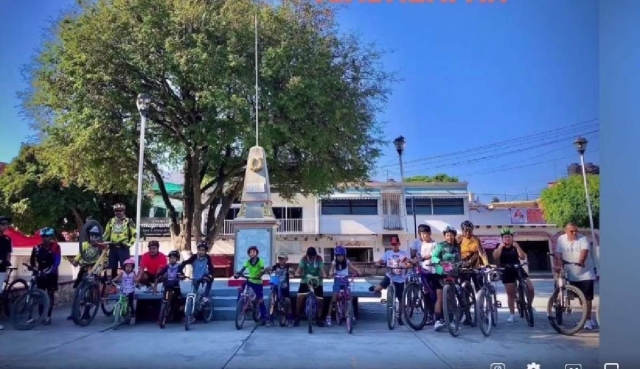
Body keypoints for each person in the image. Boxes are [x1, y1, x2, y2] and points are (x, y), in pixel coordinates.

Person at [554, 222, 597, 330]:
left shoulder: (583, 239)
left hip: (585, 273)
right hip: (571, 273)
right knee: (580, 299)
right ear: (566, 231)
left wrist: (581, 261)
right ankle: (586, 317)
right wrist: (559, 265)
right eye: (571, 231)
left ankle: (587, 321)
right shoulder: (561, 239)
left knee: (587, 299)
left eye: (576, 231)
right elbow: (558, 253)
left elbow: (584, 251)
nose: (574, 233)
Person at [493, 228, 535, 323]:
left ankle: (529, 306)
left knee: (530, 289)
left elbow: (523, 257)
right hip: (506, 270)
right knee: (511, 294)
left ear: (512, 237)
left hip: (518, 268)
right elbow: (495, 257)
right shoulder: (499, 246)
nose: (507, 238)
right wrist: (500, 247)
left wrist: (518, 247)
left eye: (509, 236)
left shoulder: (515, 245)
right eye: (505, 237)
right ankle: (512, 314)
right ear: (502, 238)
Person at [67, 225, 108, 320]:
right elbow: (80, 253)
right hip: (85, 267)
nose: (94, 238)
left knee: (91, 291)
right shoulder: (85, 244)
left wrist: (105, 262)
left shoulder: (101, 246)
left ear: (99, 236)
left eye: (96, 235)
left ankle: (87, 312)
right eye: (92, 235)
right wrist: (76, 261)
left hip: (95, 268)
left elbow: (105, 255)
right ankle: (75, 312)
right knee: (77, 289)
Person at [368, 236, 409, 326]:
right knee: (377, 289)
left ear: (399, 244)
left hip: (400, 279)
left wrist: (407, 266)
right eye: (392, 244)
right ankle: (375, 287)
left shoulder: (404, 254)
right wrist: (378, 264)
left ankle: (399, 317)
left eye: (396, 244)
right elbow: (380, 261)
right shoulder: (388, 253)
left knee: (401, 300)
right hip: (389, 276)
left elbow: (409, 263)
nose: (394, 246)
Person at [431, 225, 462, 332]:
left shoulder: (457, 246)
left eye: (451, 235)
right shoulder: (440, 245)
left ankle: (451, 320)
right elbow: (434, 256)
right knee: (440, 298)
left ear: (454, 236)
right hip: (441, 274)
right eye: (447, 235)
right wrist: (440, 262)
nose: (449, 237)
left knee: (451, 299)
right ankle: (438, 320)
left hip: (453, 274)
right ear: (445, 236)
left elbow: (459, 258)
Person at [29, 227, 62, 325]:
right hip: (40, 273)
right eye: (43, 236)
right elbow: (32, 260)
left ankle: (48, 316)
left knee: (50, 294)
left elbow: (57, 261)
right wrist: (33, 268)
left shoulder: (56, 247)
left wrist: (49, 270)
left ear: (51, 237)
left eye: (47, 236)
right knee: (40, 295)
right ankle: (41, 316)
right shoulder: (37, 247)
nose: (44, 238)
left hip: (52, 273)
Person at [326, 245, 361, 327]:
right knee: (334, 299)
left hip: (345, 280)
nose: (340, 257)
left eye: (342, 255)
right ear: (336, 256)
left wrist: (358, 271)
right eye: (338, 255)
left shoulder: (347, 262)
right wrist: (331, 273)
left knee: (349, 297)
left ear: (344, 255)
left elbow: (353, 268)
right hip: (337, 281)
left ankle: (350, 314)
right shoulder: (334, 262)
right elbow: (331, 270)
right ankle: (329, 316)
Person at [294, 246, 327, 327]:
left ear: (315, 255)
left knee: (320, 300)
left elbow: (323, 270)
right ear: (307, 255)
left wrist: (324, 274)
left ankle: (319, 318)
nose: (312, 258)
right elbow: (298, 271)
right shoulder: (303, 259)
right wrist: (297, 274)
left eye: (313, 256)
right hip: (306, 280)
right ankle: (297, 317)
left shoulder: (319, 259)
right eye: (310, 256)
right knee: (299, 297)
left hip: (317, 280)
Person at [234, 246, 268, 325]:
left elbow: (262, 269)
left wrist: (260, 274)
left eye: (254, 252)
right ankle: (239, 305)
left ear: (256, 253)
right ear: (249, 254)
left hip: (258, 282)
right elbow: (242, 269)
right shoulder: (247, 262)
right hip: (249, 280)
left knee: (260, 300)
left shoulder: (260, 261)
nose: (252, 253)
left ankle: (264, 317)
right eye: (250, 252)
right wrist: (238, 274)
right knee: (240, 289)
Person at [103, 203, 137, 279]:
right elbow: (106, 233)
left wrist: (128, 244)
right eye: (116, 211)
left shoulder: (129, 221)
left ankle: (128, 282)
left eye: (120, 210)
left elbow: (135, 234)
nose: (118, 212)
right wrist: (101, 242)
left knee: (126, 266)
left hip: (123, 247)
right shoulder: (111, 221)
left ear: (123, 211)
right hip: (113, 247)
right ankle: (113, 284)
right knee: (113, 267)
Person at [178, 241, 214, 305]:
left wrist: (210, 275)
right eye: (199, 250)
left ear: (206, 251)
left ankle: (205, 297)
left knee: (209, 280)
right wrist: (180, 272)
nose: (201, 251)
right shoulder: (194, 257)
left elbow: (211, 267)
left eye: (203, 250)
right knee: (193, 293)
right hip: (195, 278)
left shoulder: (207, 257)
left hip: (204, 277)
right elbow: (184, 263)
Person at [263, 251, 293, 327]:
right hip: (276, 285)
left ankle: (289, 320)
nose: (281, 260)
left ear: (286, 259)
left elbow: (292, 270)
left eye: (283, 259)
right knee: (271, 302)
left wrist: (291, 271)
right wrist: (265, 270)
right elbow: (270, 268)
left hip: (284, 286)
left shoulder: (288, 267)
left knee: (288, 302)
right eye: (279, 259)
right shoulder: (276, 266)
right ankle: (270, 320)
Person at [458, 220, 488, 290]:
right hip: (464, 267)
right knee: (465, 289)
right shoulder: (459, 239)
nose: (468, 233)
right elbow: (456, 252)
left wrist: (486, 263)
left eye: (470, 231)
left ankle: (480, 300)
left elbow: (482, 252)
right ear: (462, 231)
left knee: (480, 287)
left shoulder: (476, 239)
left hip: (476, 266)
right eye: (465, 231)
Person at [154, 250, 183, 316]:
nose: (172, 259)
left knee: (178, 297)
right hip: (168, 285)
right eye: (171, 258)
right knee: (165, 298)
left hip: (175, 285)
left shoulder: (179, 267)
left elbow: (181, 274)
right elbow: (161, 273)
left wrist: (181, 276)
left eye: (174, 258)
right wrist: (159, 275)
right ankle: (163, 312)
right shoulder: (167, 267)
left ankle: (181, 309)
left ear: (177, 259)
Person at [111, 257, 137, 325]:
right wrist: (112, 280)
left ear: (132, 267)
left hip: (131, 289)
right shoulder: (122, 273)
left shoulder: (133, 273)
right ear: (124, 267)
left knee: (131, 303)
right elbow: (116, 278)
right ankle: (120, 314)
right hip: (123, 289)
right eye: (127, 266)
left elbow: (135, 279)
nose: (128, 268)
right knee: (121, 301)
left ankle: (133, 316)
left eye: (130, 267)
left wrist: (137, 282)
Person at [0, 215, 13, 330]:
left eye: (6, 224)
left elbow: (9, 254)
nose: (5, 226)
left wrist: (6, 262)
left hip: (1, 269)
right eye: (3, 224)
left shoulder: (7, 239)